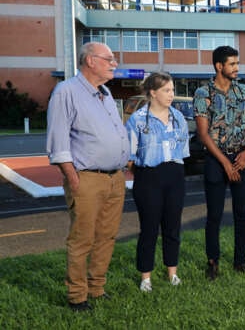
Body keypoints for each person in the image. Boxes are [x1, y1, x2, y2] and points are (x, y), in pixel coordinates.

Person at [46, 42, 129, 312]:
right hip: (86, 178)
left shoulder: (104, 93)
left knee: (107, 236)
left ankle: (96, 288)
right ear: (90, 61)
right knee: (82, 238)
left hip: (115, 178)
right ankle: (77, 296)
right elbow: (58, 142)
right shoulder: (66, 91)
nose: (114, 63)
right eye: (109, 58)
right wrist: (72, 176)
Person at [194, 46, 245, 279]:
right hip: (216, 160)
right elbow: (203, 134)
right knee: (214, 215)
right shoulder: (204, 94)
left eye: (237, 63)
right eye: (232, 64)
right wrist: (224, 163)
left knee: (242, 214)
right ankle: (213, 262)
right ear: (219, 66)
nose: (237, 68)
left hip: (243, 158)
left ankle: (240, 262)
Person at [125, 72, 189, 292]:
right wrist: (145, 174)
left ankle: (172, 273)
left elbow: (183, 152)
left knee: (172, 227)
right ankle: (146, 278)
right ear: (153, 92)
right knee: (149, 229)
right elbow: (130, 157)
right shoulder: (138, 119)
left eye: (172, 90)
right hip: (148, 178)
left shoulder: (178, 117)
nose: (172, 94)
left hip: (175, 175)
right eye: (167, 90)